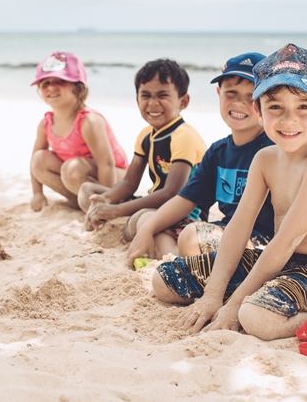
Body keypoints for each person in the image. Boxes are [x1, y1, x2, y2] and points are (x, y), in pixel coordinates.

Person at [152, 44, 307, 341]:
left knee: (254, 317)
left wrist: (235, 303)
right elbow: (239, 225)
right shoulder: (265, 159)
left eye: (304, 107)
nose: (289, 120)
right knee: (165, 280)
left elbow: (289, 239)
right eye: (276, 107)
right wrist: (213, 294)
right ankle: (250, 297)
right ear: (258, 111)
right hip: (275, 261)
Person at [127, 52, 274, 268]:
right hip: (225, 232)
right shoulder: (218, 151)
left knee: (191, 235)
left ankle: (183, 268)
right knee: (153, 223)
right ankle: (175, 265)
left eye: (251, 96)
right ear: (219, 93)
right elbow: (185, 199)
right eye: (231, 93)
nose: (239, 103)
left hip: (263, 243)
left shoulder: (274, 151)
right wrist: (148, 229)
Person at [78, 58, 207, 235]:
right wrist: (105, 199)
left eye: (162, 95)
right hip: (153, 203)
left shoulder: (184, 136)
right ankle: (113, 219)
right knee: (88, 191)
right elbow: (129, 183)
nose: (153, 103)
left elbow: (171, 193)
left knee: (138, 221)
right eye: (146, 95)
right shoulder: (146, 135)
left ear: (183, 102)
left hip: (183, 215)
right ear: (137, 99)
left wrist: (117, 210)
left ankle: (125, 223)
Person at [30, 51, 129, 211]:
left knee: (73, 168)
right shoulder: (45, 124)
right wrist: (37, 193)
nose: (51, 87)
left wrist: (106, 202)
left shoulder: (89, 121)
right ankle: (79, 202)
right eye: (45, 83)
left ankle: (98, 203)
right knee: (38, 159)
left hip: (116, 180)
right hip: (77, 179)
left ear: (77, 87)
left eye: (60, 81)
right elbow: (34, 163)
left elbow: (107, 165)